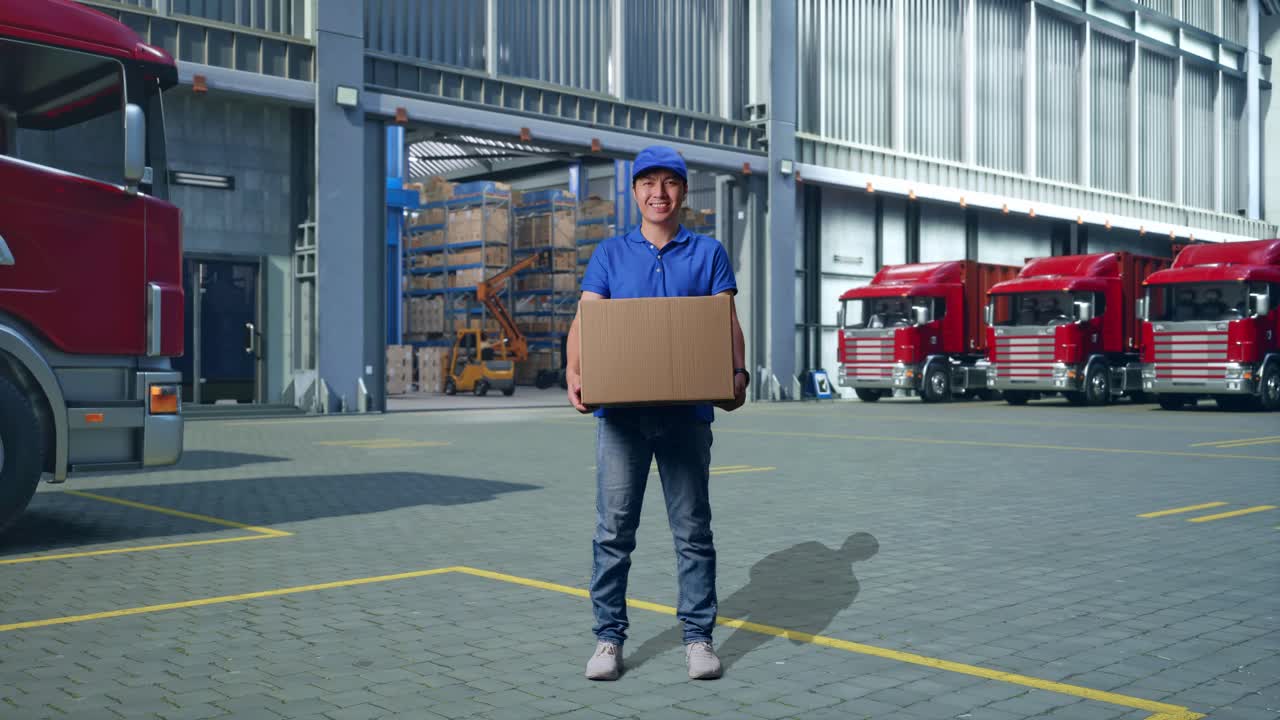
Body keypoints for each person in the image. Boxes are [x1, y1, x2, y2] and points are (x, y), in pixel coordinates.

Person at [566, 145, 748, 682]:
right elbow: (586, 322)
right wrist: (574, 372)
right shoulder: (609, 255)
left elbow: (725, 323)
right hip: (621, 419)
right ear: (635, 192)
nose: (659, 193)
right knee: (613, 531)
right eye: (648, 182)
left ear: (684, 192)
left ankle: (698, 637)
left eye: (670, 183)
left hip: (686, 415)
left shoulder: (708, 253)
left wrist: (737, 373)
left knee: (692, 529)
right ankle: (608, 640)